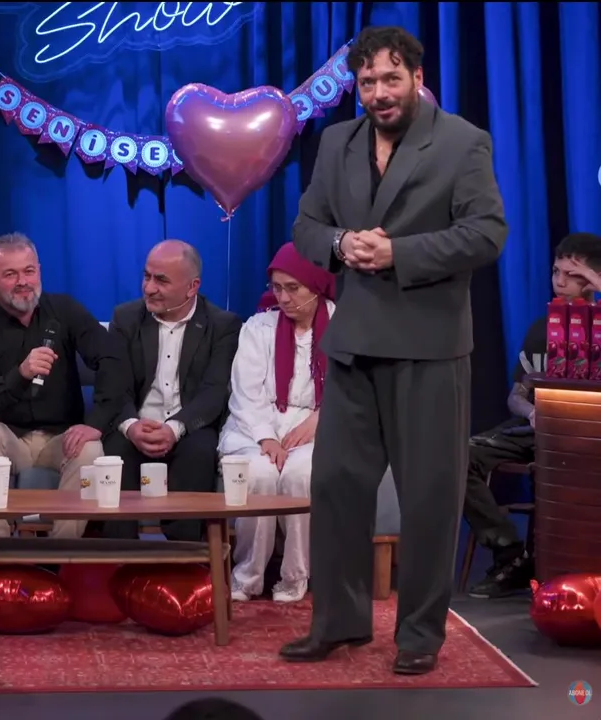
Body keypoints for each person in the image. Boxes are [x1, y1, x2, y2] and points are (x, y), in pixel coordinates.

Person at [282, 26, 507, 675]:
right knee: (335, 487)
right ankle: (339, 623)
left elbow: (486, 233)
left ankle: (419, 636)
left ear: (416, 77)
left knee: (429, 497)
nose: (379, 92)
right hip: (354, 343)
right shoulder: (337, 142)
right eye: (367, 82)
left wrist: (397, 253)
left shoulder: (462, 141)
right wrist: (340, 244)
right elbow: (306, 224)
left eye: (390, 79)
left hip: (429, 348)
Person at [463, 232, 601, 599]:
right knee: (459, 456)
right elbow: (516, 396)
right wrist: (532, 412)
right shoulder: (543, 329)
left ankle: (550, 562)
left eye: (573, 275)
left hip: (588, 434)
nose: (560, 281)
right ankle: (511, 553)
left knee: (553, 467)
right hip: (538, 427)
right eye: (556, 272)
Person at [0, 233, 119, 539]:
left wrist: (96, 423)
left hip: (61, 439)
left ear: (40, 271)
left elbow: (111, 357)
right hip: (9, 440)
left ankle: (62, 553)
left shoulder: (65, 310)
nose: (23, 282)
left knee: (91, 448)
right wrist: (20, 374)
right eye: (10, 274)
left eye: (29, 271)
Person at [99, 240, 241, 541]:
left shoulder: (222, 325)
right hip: (135, 422)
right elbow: (113, 385)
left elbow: (214, 392)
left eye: (161, 280)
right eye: (146, 276)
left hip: (188, 427)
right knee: (115, 454)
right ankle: (118, 557)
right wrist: (131, 426)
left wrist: (174, 429)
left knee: (199, 452)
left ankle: (185, 557)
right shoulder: (125, 318)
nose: (149, 288)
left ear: (192, 287)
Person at [220, 243, 336, 604]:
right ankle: (248, 575)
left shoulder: (344, 325)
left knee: (301, 474)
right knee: (259, 473)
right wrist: (266, 438)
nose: (283, 298)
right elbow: (245, 393)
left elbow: (355, 387)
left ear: (316, 286)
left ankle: (295, 574)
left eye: (293, 288)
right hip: (254, 424)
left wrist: (322, 419)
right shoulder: (259, 327)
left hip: (319, 425)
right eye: (277, 287)